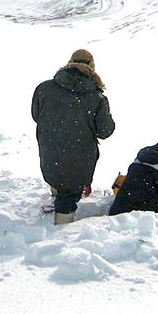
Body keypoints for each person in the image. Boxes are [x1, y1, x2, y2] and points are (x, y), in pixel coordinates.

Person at [32, 49, 116, 225]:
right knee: (69, 193)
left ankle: (57, 197)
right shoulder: (97, 97)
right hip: (80, 155)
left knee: (56, 176)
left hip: (50, 149)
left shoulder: (44, 87)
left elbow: (36, 115)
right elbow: (105, 131)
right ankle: (62, 231)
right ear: (92, 69)